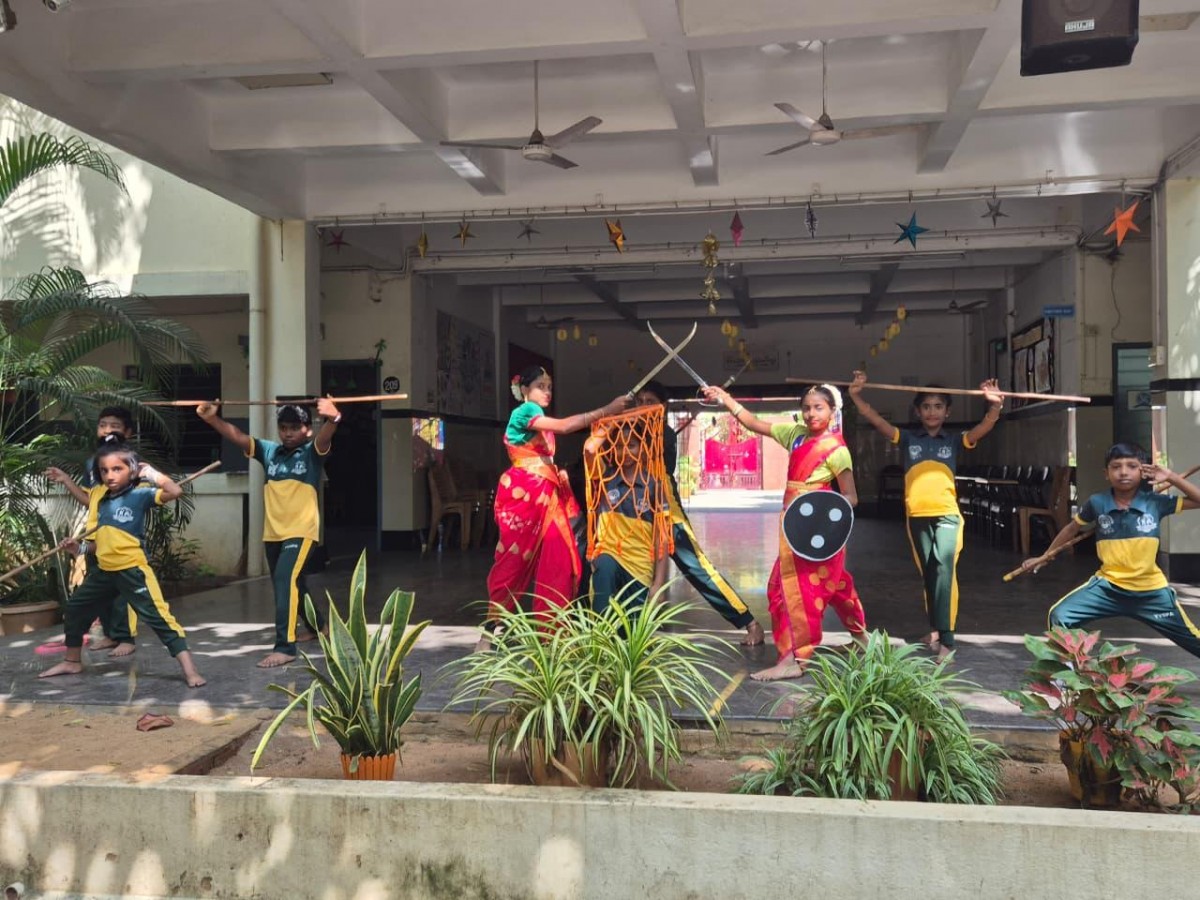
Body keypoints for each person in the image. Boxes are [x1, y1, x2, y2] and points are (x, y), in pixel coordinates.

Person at [703, 383, 867, 681]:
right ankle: (862, 639)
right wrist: (725, 399)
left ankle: (795, 659)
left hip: (816, 534)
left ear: (832, 411)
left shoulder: (837, 450)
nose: (811, 413)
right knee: (834, 585)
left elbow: (851, 498)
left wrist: (817, 510)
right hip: (793, 529)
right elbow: (754, 423)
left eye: (819, 407)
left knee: (793, 592)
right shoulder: (795, 435)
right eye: (806, 407)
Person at [849, 373, 1003, 660]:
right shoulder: (908, 439)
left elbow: (982, 429)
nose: (932, 412)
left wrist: (995, 406)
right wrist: (856, 396)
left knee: (944, 570)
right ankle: (936, 628)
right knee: (930, 574)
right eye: (927, 406)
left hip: (948, 516)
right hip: (917, 516)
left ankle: (948, 639)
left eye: (938, 406)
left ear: (948, 412)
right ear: (918, 412)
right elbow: (877, 421)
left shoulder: (954, 441)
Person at [480, 365, 629, 650]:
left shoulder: (538, 416)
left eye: (549, 387)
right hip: (525, 496)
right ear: (525, 390)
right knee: (515, 561)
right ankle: (493, 629)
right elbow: (564, 426)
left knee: (559, 557)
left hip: (546, 495)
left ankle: (552, 632)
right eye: (540, 386)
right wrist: (607, 409)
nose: (547, 392)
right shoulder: (525, 412)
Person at [39, 442, 206, 687]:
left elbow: (175, 491)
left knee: (159, 618)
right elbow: (100, 543)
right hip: (105, 571)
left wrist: (151, 473)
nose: (110, 475)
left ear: (132, 470)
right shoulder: (101, 499)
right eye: (104, 470)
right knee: (75, 609)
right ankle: (72, 661)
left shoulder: (140, 496)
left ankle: (190, 671)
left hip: (133, 571)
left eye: (117, 469)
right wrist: (79, 548)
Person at [195, 398, 340, 668]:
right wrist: (212, 419)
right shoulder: (269, 451)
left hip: (301, 532)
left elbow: (325, 437)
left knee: (285, 581)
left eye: (295, 428)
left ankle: (285, 647)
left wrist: (333, 419)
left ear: (308, 429)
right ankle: (318, 626)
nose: (288, 433)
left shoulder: (312, 452)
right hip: (273, 533)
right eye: (283, 427)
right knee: (292, 584)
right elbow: (238, 437)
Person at [1021, 443, 1200, 656]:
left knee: (1194, 640)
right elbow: (1071, 529)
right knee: (1060, 616)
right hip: (1108, 588)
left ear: (1143, 472)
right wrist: (1044, 557)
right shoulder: (1097, 503)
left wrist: (1171, 477)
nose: (1123, 472)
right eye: (1116, 467)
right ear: (1106, 473)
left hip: (1151, 592)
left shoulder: (1155, 502)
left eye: (1132, 466)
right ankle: (1072, 670)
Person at [634, 381, 764, 645]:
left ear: (662, 407)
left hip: (665, 508)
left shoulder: (664, 433)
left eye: (650, 402)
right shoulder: (628, 429)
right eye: (640, 402)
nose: (644, 407)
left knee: (696, 567)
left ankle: (749, 622)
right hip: (633, 506)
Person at [584, 413, 670, 618]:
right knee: (603, 612)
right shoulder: (605, 477)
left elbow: (662, 538)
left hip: (640, 566)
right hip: (609, 554)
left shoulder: (654, 485)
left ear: (643, 448)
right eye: (619, 446)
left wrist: (659, 583)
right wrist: (612, 422)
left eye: (631, 445)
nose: (625, 452)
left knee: (631, 629)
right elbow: (589, 449)